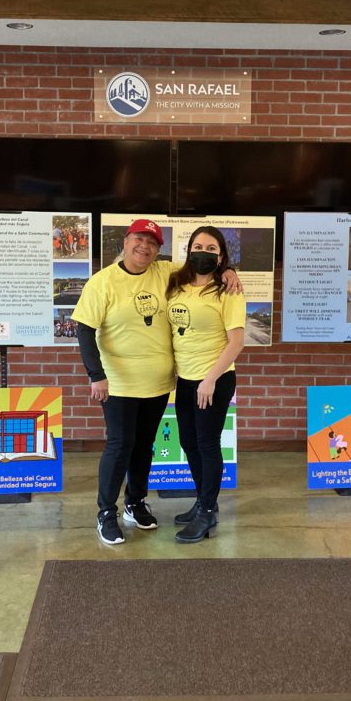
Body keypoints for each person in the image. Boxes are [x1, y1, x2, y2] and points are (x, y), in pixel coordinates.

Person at [73, 219, 240, 545]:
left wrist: (229, 273)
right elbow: (84, 330)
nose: (144, 247)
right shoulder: (102, 282)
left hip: (159, 383)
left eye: (152, 243)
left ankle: (135, 503)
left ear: (158, 250)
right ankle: (106, 512)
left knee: (144, 447)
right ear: (126, 240)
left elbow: (204, 267)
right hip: (119, 383)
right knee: (120, 446)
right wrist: (96, 375)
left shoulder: (167, 273)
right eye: (139, 239)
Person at [166, 226, 245, 544]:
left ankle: (208, 511)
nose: (203, 252)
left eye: (211, 248)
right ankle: (202, 501)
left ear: (221, 255)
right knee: (188, 442)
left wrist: (210, 379)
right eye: (198, 246)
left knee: (208, 444)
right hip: (185, 380)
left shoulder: (228, 291)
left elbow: (236, 342)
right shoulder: (176, 283)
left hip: (214, 380)